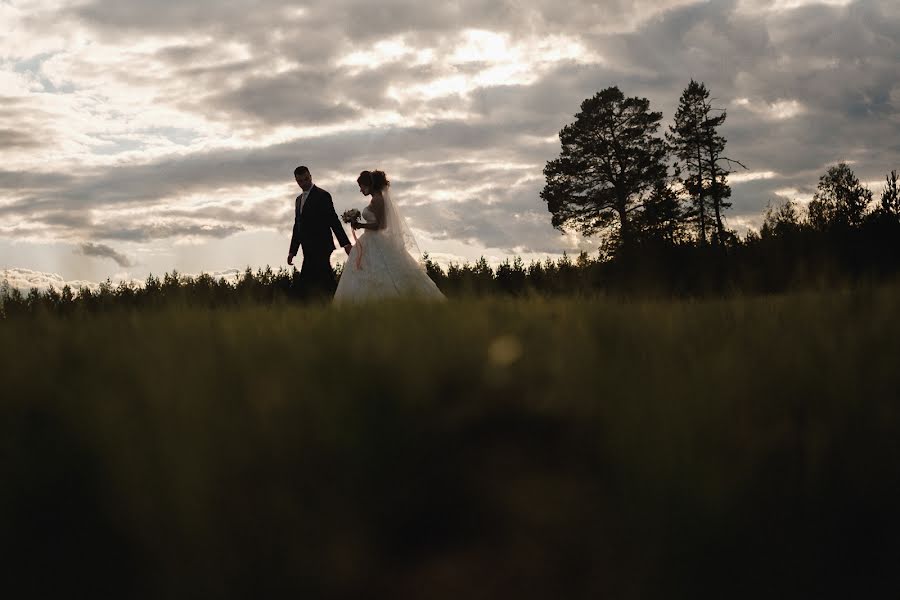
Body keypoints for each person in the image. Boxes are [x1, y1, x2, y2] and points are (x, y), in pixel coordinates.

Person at [334, 170, 445, 302]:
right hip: (369, 239)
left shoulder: (378, 200)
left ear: (369, 184)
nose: (360, 190)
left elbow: (381, 226)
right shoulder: (375, 199)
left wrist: (361, 225)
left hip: (375, 239)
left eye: (361, 186)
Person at [287, 166, 352, 300]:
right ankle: (329, 305)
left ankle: (333, 304)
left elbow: (333, 220)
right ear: (296, 181)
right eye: (300, 181)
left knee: (313, 281)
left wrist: (345, 243)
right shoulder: (298, 200)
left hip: (322, 246)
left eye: (306, 179)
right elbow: (297, 226)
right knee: (320, 281)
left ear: (310, 176)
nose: (303, 183)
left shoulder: (322, 195)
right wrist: (292, 251)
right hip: (307, 248)